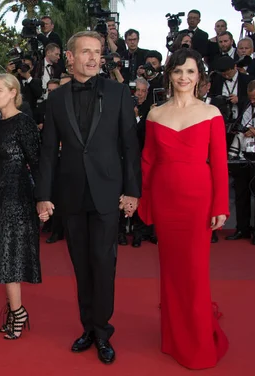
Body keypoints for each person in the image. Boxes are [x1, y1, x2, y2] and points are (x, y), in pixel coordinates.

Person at [35, 31, 141, 364]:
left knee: (103, 263)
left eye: (97, 52)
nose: (94, 58)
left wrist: (132, 191)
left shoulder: (119, 92)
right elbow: (49, 152)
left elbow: (129, 147)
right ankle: (88, 328)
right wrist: (43, 195)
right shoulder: (56, 99)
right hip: (71, 194)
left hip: (109, 192)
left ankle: (103, 330)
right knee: (81, 265)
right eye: (86, 52)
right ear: (70, 57)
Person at [140, 48, 229, 370]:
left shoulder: (211, 113)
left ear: (199, 77)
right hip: (165, 200)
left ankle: (198, 340)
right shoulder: (155, 114)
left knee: (194, 271)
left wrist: (220, 205)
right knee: (171, 270)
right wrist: (145, 200)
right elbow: (148, 161)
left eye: (190, 72)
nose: (183, 78)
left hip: (197, 200)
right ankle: (174, 336)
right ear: (170, 74)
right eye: (178, 71)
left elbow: (219, 164)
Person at [0, 74, 41, 340]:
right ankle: (16, 311)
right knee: (0, 255)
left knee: (9, 256)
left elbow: (37, 162)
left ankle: (18, 312)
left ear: (13, 92)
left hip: (16, 197)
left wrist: (44, 199)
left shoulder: (24, 123)